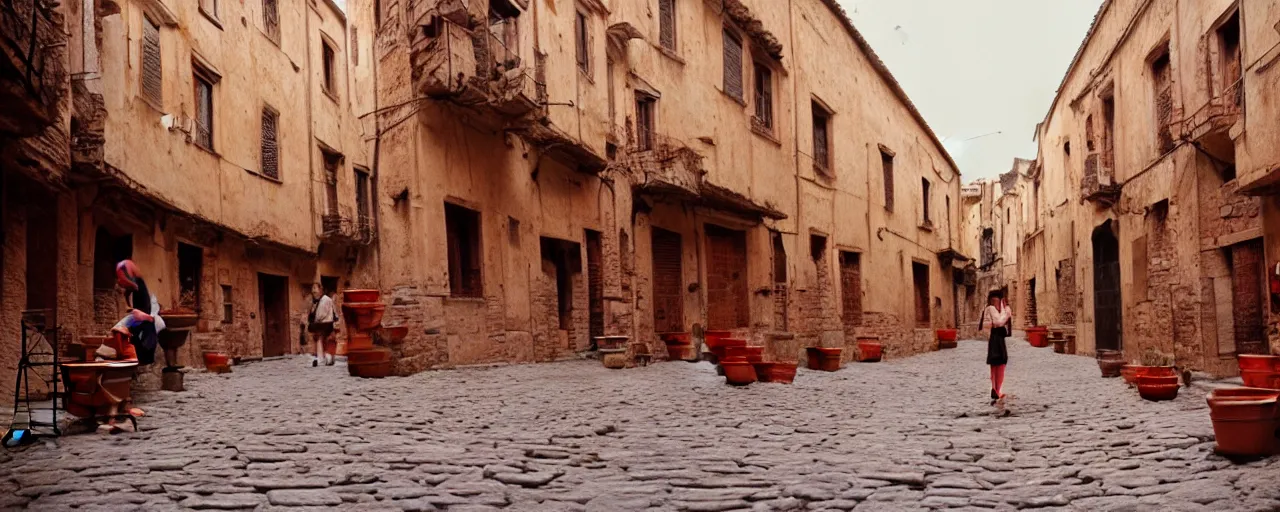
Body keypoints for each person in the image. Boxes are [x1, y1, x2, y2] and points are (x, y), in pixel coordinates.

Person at [115, 260, 163, 365]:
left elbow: (132, 286)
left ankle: (142, 359)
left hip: (143, 316)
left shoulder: (129, 272)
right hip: (141, 316)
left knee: (143, 332)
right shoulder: (124, 268)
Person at [979, 290, 1012, 404]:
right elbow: (999, 322)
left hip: (996, 339)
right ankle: (996, 390)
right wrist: (1007, 312)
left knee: (997, 365)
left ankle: (996, 389)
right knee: (999, 364)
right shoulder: (992, 309)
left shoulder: (989, 309)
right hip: (996, 339)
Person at [307, 283, 339, 367]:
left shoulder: (324, 300)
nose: (313, 291)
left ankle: (322, 358)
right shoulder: (320, 300)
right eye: (312, 288)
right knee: (324, 339)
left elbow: (321, 314)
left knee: (321, 339)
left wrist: (315, 320)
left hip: (324, 323)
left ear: (320, 290)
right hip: (326, 323)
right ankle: (327, 358)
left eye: (315, 288)